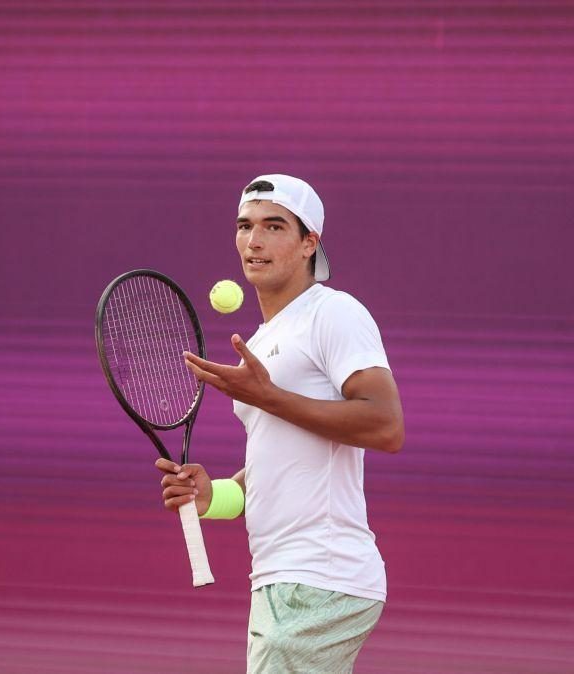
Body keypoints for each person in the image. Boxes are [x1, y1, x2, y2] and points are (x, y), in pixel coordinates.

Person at [157, 174, 405, 673]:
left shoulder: (334, 312)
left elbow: (385, 425)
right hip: (279, 577)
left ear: (309, 242)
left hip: (320, 573)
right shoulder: (266, 337)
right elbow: (281, 461)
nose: (255, 240)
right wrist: (217, 496)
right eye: (245, 226)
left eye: (274, 226)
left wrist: (268, 396)